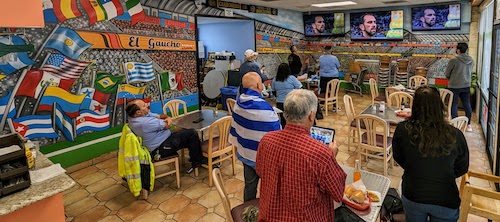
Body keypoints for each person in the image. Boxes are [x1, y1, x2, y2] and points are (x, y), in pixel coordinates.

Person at [256, 89, 346, 221]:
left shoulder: (266, 140)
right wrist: (331, 156)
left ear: (286, 114)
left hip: (269, 216)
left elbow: (260, 170)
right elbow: (338, 192)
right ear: (311, 115)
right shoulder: (321, 153)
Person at [392, 86, 469, 222]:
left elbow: (399, 157)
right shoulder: (455, 135)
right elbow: (462, 167)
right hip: (445, 198)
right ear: (440, 106)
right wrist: (442, 172)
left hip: (413, 194)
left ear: (414, 106)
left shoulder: (403, 130)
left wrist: (416, 166)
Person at [229, 72, 281, 202]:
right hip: (264, 160)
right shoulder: (265, 109)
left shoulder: (239, 103)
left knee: (249, 186)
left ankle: (248, 210)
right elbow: (277, 136)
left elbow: (238, 127)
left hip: (245, 154)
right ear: (259, 85)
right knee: (269, 189)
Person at [126, 99, 204, 174]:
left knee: (186, 131)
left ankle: (196, 156)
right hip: (160, 148)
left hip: (164, 138)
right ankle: (197, 163)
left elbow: (160, 116)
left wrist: (167, 117)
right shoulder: (144, 123)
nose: (147, 105)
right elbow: (168, 125)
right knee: (192, 134)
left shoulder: (135, 117)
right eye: (143, 106)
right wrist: (168, 119)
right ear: (138, 112)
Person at [445, 42, 474, 131]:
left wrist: (451, 78)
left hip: (454, 85)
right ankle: (468, 125)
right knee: (467, 104)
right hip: (466, 85)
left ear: (458, 50)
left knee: (454, 104)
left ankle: (455, 123)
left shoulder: (454, 60)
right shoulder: (471, 60)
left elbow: (447, 73)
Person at [271, 63, 302, 127]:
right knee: (293, 120)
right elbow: (300, 88)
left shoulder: (275, 79)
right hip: (291, 101)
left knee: (283, 120)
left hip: (279, 103)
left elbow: (273, 92)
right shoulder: (292, 78)